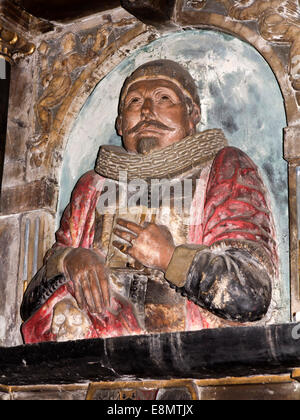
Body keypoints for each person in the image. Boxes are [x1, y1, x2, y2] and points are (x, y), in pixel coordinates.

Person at [21, 60, 278, 343]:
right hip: (97, 356)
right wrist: (70, 259)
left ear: (192, 115)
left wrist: (170, 257)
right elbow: (31, 300)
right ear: (120, 124)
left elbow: (251, 292)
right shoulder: (93, 186)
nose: (146, 111)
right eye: (134, 101)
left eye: (163, 98)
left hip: (192, 357)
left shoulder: (224, 169)